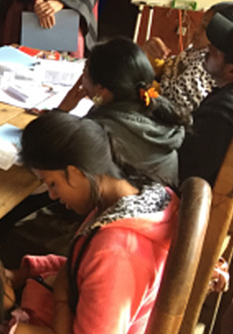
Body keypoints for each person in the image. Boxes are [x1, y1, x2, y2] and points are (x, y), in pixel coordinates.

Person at [10, 110, 178, 334]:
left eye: (52, 184)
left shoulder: (116, 253)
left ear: (75, 172)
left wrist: (61, 299)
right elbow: (83, 269)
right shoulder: (139, 199)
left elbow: (98, 271)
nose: (52, 195)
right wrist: (25, 272)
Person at [58, 37, 187, 186]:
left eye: (84, 73)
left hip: (127, 199)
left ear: (102, 89)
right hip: (164, 197)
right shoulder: (156, 110)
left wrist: (61, 110)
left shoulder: (100, 130)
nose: (81, 80)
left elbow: (53, 154)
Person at [142, 3, 231, 117]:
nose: (196, 31)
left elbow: (173, 102)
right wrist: (150, 56)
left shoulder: (208, 67)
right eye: (200, 24)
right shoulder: (194, 51)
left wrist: (139, 80)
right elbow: (169, 70)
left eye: (205, 28)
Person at [178, 3, 233, 185]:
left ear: (231, 71)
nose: (209, 48)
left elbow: (188, 172)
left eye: (215, 51)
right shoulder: (221, 98)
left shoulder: (219, 115)